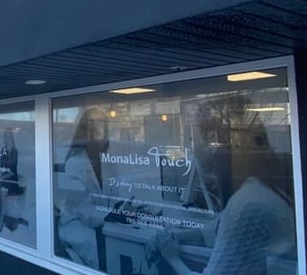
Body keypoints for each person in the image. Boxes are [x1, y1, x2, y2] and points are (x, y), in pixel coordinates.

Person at [147, 123, 297, 275]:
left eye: (210, 169)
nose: (209, 180)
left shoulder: (247, 202)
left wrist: (173, 258)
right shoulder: (263, 188)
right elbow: (218, 229)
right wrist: (176, 236)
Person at [55, 107, 111, 270]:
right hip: (77, 226)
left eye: (104, 129)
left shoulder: (107, 163)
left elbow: (112, 196)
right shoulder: (75, 163)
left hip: (102, 223)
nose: (103, 136)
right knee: (101, 254)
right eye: (97, 129)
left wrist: (123, 209)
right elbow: (82, 209)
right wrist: (110, 216)